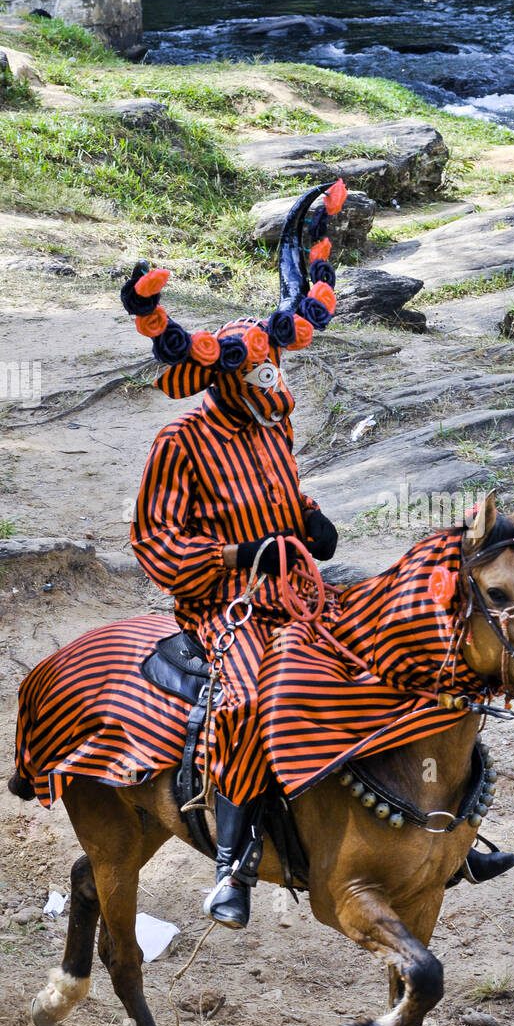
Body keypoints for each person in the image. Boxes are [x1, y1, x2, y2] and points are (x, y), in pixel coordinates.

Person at [124, 183, 343, 929]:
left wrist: (310, 521)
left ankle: (426, 829)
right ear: (225, 379)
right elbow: (154, 541)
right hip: (225, 604)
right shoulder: (178, 441)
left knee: (386, 649)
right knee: (251, 700)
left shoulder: (272, 427)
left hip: (300, 586)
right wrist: (233, 558)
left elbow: (286, 497)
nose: (274, 385)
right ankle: (233, 863)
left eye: (275, 371)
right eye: (259, 375)